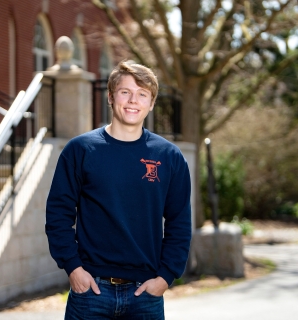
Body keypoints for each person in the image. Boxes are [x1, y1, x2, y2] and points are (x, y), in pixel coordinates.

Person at [45, 60, 192, 319]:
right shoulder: (80, 150)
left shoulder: (169, 157)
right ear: (111, 97)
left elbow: (179, 222)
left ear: (151, 102)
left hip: (145, 294)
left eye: (142, 94)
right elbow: (58, 213)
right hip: (91, 292)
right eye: (125, 92)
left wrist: (165, 277)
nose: (133, 100)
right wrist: (73, 268)